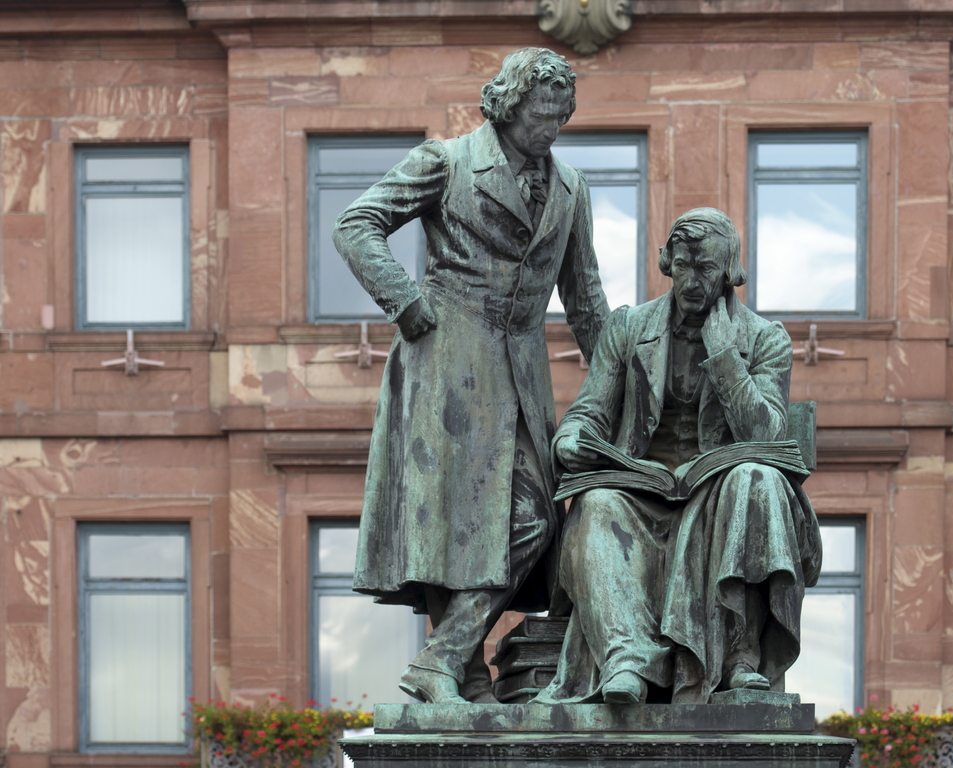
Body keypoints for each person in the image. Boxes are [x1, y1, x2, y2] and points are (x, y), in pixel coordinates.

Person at [333, 48, 609, 705]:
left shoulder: (571, 187)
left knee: (534, 514)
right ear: (510, 105)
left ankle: (443, 659)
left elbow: (587, 298)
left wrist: (621, 376)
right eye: (543, 114)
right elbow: (357, 224)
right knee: (449, 522)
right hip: (446, 360)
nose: (553, 127)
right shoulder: (447, 161)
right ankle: (466, 672)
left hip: (523, 371)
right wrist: (406, 302)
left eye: (563, 116)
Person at [536, 208, 822, 705]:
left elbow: (769, 434)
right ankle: (627, 661)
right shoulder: (627, 329)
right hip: (640, 495)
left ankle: (739, 657)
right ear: (668, 262)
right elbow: (590, 412)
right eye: (684, 266)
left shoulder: (765, 339)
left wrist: (726, 360)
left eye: (706, 269)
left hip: (719, 497)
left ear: (729, 272)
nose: (692, 280)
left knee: (755, 476)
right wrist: (571, 440)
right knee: (596, 503)